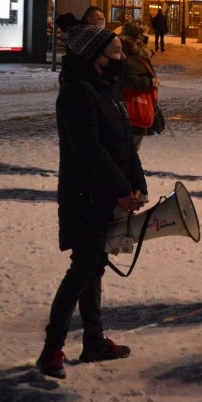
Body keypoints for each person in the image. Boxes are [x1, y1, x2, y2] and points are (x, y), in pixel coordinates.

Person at [36, 24, 148, 379]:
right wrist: (120, 189)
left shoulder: (107, 88)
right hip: (84, 197)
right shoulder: (77, 92)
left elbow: (125, 144)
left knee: (93, 267)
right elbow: (89, 150)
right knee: (83, 270)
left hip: (104, 195)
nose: (122, 57)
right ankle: (52, 348)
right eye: (114, 52)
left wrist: (137, 182)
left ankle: (94, 342)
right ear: (92, 56)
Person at [119, 20, 161, 150]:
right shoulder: (130, 54)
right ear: (139, 36)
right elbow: (130, 79)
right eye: (145, 34)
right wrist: (150, 82)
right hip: (133, 105)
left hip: (130, 105)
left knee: (129, 147)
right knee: (130, 147)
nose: (147, 37)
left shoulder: (132, 51)